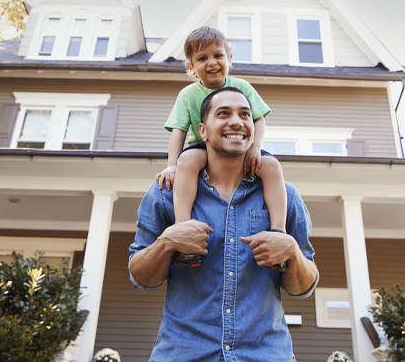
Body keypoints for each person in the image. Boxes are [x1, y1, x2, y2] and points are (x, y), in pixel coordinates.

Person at [129, 87, 319, 362]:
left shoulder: (284, 195)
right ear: (203, 131)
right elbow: (141, 279)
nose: (237, 121)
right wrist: (167, 242)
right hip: (183, 354)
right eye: (223, 114)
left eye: (245, 114)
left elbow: (303, 287)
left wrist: (291, 251)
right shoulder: (166, 193)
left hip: (266, 355)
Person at [155, 26, 287, 267]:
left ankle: (278, 233)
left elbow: (258, 118)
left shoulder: (243, 87)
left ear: (229, 59)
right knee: (188, 161)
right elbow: (179, 131)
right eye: (202, 58)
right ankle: (183, 230)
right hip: (202, 147)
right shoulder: (187, 95)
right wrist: (172, 165)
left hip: (240, 146)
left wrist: (256, 147)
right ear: (190, 67)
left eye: (218, 55)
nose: (212, 62)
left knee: (270, 165)